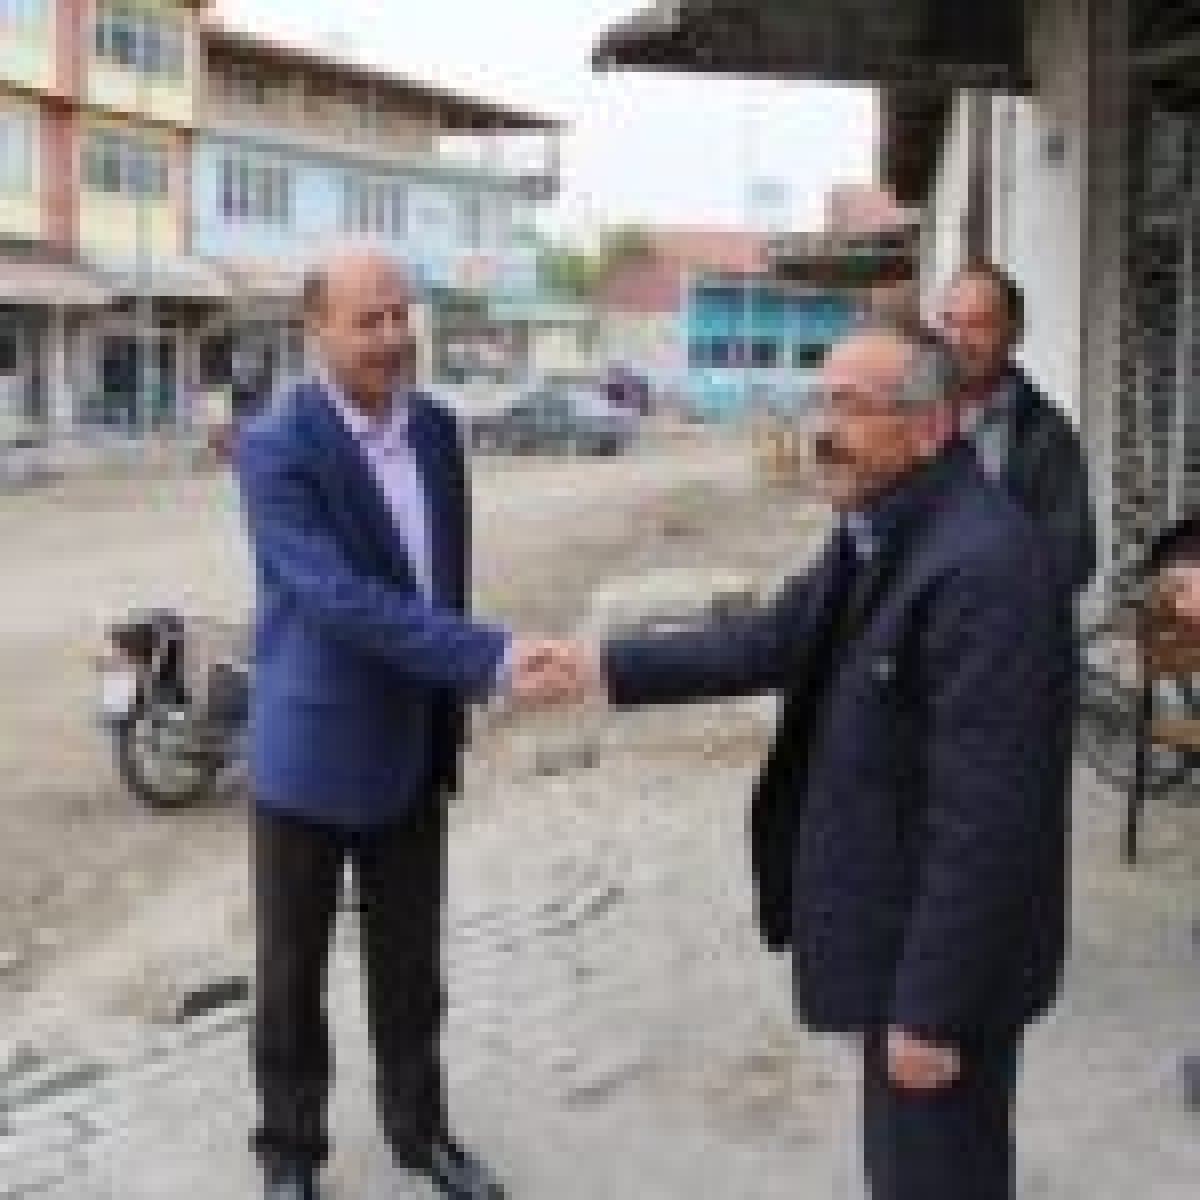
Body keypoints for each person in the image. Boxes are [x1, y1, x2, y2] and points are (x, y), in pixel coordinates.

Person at [526, 328, 1073, 1199]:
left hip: (935, 971)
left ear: (930, 426)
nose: (823, 430)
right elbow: (775, 638)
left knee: (938, 1174)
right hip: (889, 933)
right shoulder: (883, 527)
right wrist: (602, 663)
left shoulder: (983, 569)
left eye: (850, 408)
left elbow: (990, 820)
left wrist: (933, 1010)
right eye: (822, 403)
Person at [235, 247, 562, 1200]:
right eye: (367, 321)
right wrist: (488, 657)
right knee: (290, 973)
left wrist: (457, 686)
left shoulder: (437, 430)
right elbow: (337, 599)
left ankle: (422, 1136)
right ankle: (290, 1156)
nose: (391, 337)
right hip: (311, 750)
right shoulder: (277, 447)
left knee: (412, 967)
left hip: (415, 744)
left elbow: (440, 578)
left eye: (399, 316)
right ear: (316, 331)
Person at [938, 262, 1097, 598]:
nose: (958, 340)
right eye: (950, 322)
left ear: (1013, 334)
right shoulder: (905, 408)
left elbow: (1072, 557)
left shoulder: (1046, 433)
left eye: (978, 325)